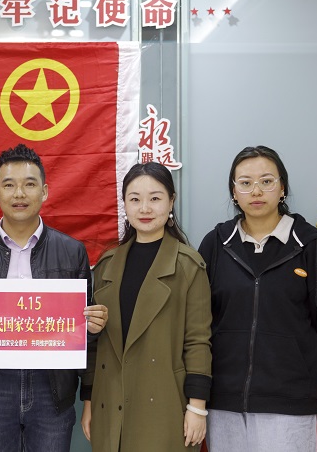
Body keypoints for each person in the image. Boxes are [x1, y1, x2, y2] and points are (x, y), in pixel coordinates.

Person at [0, 144, 108, 452]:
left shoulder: (72, 252)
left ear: (44, 191)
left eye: (29, 184)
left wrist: (92, 331)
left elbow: (85, 337)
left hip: (52, 388)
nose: (19, 193)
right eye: (9, 185)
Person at [198, 146, 317, 451]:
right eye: (245, 183)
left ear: (282, 188)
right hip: (223, 404)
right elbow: (196, 324)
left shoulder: (311, 247)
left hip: (289, 407)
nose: (256, 191)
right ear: (234, 192)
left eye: (266, 181)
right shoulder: (216, 244)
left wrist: (304, 386)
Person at [81, 162, 212, 451]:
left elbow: (198, 341)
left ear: (171, 202)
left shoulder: (188, 266)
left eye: (155, 198)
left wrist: (197, 407)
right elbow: (95, 345)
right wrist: (89, 400)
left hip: (165, 402)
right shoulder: (106, 265)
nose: (144, 208)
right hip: (109, 403)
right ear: (124, 204)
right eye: (135, 199)